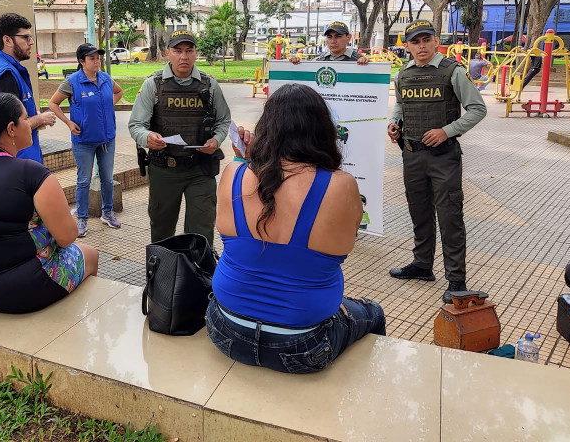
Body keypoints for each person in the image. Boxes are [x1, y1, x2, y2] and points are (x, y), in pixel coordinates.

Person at [206, 85, 385, 374]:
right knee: (373, 313)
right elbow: (347, 241)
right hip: (305, 344)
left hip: (225, 329)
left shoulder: (234, 173)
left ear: (266, 128)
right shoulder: (340, 185)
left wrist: (246, 159)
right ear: (323, 129)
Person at [0, 93, 99, 313]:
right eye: (26, 119)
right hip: (14, 292)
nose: (31, 124)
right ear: (11, 129)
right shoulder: (32, 174)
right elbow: (67, 237)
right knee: (90, 253)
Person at [387, 20, 487, 304]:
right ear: (407, 46)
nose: (421, 46)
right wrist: (395, 123)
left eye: (426, 40)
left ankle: (456, 279)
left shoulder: (452, 72)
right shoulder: (402, 75)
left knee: (449, 216)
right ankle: (422, 265)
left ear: (435, 42)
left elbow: (477, 109)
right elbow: (400, 104)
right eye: (415, 42)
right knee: (419, 211)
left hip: (443, 158)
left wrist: (447, 131)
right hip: (412, 154)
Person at [129, 30, 231, 244]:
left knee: (201, 232)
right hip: (165, 169)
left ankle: (197, 276)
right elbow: (136, 125)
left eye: (189, 51)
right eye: (177, 51)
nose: (183, 57)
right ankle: (161, 276)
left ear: (196, 54)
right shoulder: (153, 85)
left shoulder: (209, 85)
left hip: (200, 169)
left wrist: (216, 140)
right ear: (168, 53)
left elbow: (223, 121)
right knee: (161, 230)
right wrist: (148, 138)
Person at [48, 43, 124, 237]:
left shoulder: (105, 78)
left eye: (98, 58)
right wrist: (68, 123)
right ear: (81, 61)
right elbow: (53, 103)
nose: (97, 61)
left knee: (107, 178)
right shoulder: (72, 82)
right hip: (84, 140)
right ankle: (82, 219)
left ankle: (107, 213)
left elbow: (119, 92)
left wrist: (106, 107)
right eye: (91, 58)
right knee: (84, 180)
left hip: (107, 138)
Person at [0, 13, 56, 163]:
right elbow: (8, 128)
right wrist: (39, 119)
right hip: (18, 159)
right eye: (26, 37)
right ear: (7, 40)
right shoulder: (6, 74)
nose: (31, 42)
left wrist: (32, 115)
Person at [289, 22, 369, 65]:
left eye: (338, 36)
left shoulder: (358, 60)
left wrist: (367, 65)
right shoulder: (318, 61)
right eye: (329, 37)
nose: (333, 41)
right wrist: (296, 64)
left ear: (348, 37)